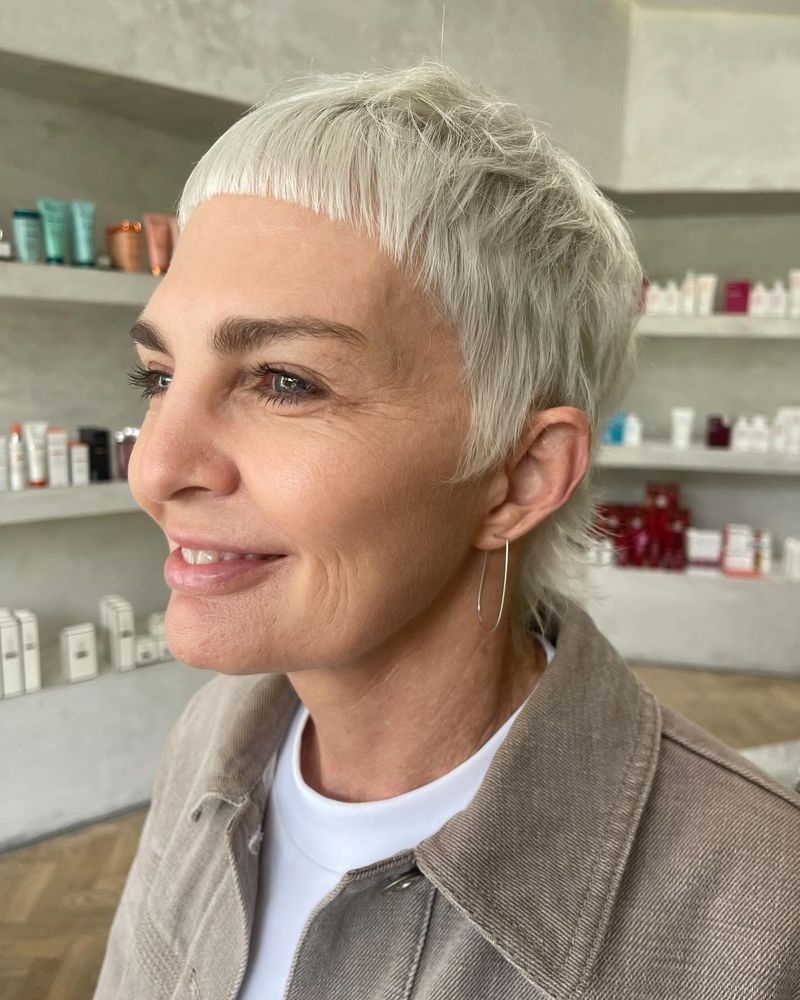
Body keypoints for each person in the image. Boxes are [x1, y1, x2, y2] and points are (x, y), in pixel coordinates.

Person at [93, 60, 799, 1000]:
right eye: (158, 377)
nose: (154, 469)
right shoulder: (214, 742)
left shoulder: (761, 915)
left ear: (521, 474)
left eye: (284, 381)